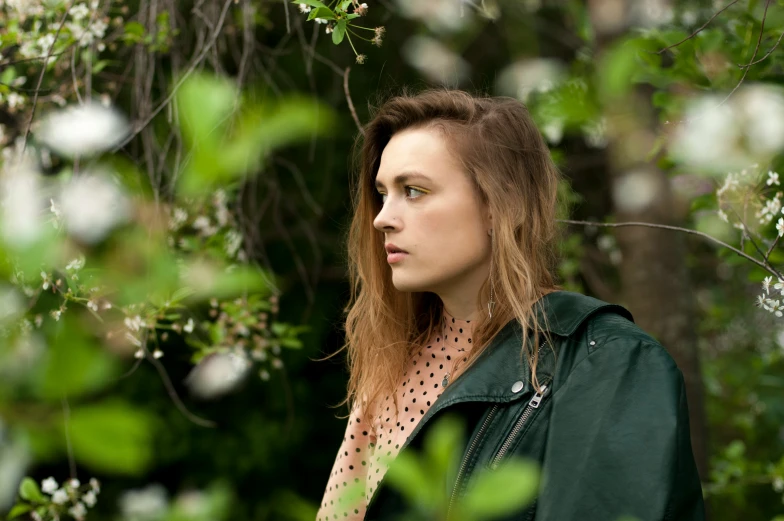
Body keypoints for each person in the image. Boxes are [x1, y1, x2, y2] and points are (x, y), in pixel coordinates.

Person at [316, 88, 705, 521]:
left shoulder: (606, 361)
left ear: (500, 205)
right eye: (382, 192)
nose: (382, 217)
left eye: (413, 190)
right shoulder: (390, 368)